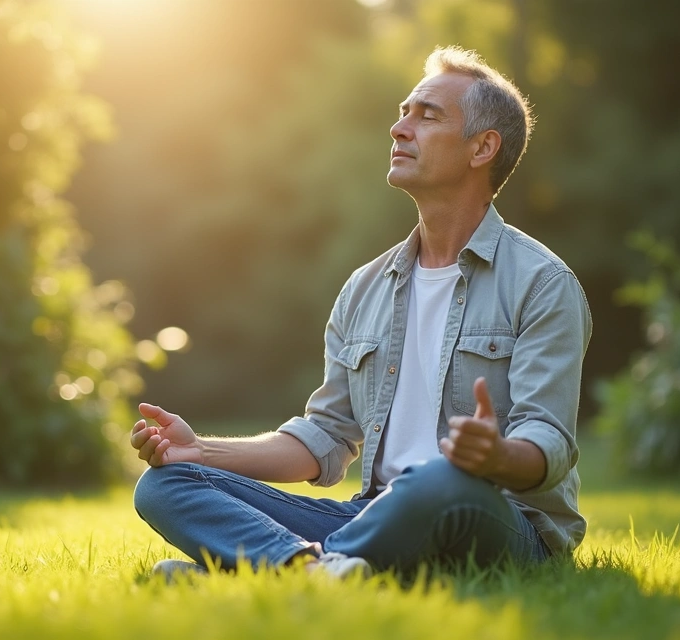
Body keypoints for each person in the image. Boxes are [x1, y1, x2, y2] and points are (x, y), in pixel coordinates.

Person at [130, 45, 592, 579]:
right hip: (372, 516)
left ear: (483, 147)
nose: (399, 129)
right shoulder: (365, 288)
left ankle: (267, 571)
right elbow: (324, 438)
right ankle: (310, 570)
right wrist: (201, 451)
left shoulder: (542, 283)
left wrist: (496, 458)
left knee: (438, 480)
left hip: (496, 519)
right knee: (166, 484)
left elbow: (548, 441)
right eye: (403, 113)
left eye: (428, 115)